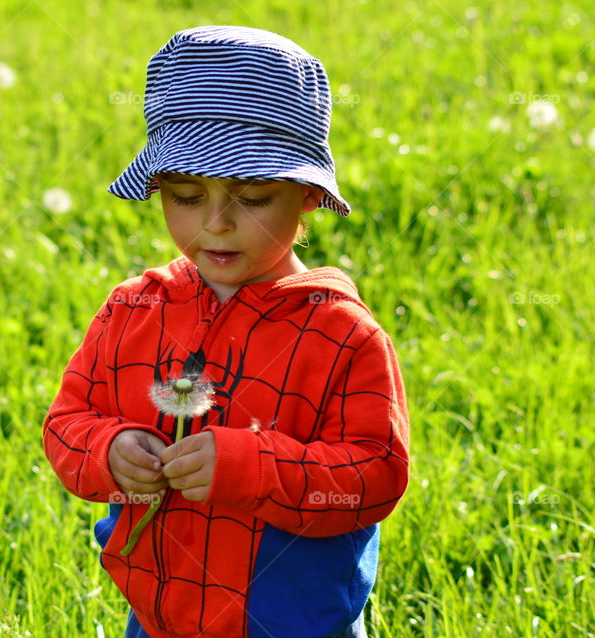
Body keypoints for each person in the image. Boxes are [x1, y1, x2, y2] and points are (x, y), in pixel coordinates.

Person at [42, 25, 410, 638]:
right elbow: (66, 424)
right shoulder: (133, 310)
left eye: (255, 196)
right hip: (158, 613)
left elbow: (374, 475)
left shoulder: (341, 335)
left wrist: (253, 469)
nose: (216, 224)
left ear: (308, 195)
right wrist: (109, 451)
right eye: (187, 195)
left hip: (293, 621)